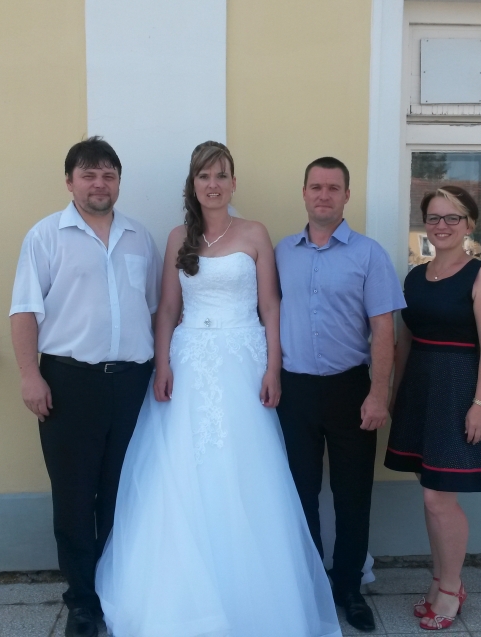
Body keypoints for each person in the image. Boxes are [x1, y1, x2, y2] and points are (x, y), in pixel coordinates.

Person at [95, 141, 342, 637]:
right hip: (189, 363)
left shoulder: (254, 233)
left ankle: (255, 595)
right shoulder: (177, 237)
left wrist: (273, 368)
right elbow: (168, 308)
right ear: (193, 184)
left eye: (221, 175)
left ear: (233, 183)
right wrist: (162, 364)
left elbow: (270, 306)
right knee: (185, 469)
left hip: (243, 361)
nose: (213, 185)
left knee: (245, 467)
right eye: (204, 176)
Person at [9, 137, 162, 637]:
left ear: (118, 182)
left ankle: (115, 591)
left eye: (108, 175)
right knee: (75, 497)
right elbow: (24, 310)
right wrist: (30, 375)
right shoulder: (45, 236)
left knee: (123, 493)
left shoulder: (140, 237)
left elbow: (155, 309)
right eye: (89, 175)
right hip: (69, 383)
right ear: (70, 181)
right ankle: (81, 602)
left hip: (132, 383)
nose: (99, 184)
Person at [275, 157, 406, 633]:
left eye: (333, 187)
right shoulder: (281, 252)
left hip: (351, 388)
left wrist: (378, 394)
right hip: (294, 391)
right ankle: (312, 586)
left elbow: (384, 331)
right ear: (304, 193)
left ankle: (349, 587)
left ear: (347, 195)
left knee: (353, 495)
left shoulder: (369, 254)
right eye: (316, 186)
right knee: (300, 493)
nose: (324, 195)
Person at [384, 186, 481, 631]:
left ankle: (452, 589)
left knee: (439, 498)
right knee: (429, 490)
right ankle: (439, 581)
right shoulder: (416, 277)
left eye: (452, 217)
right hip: (420, 389)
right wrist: (396, 391)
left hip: (458, 391)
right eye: (434, 217)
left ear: (469, 224)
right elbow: (405, 339)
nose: (442, 225)